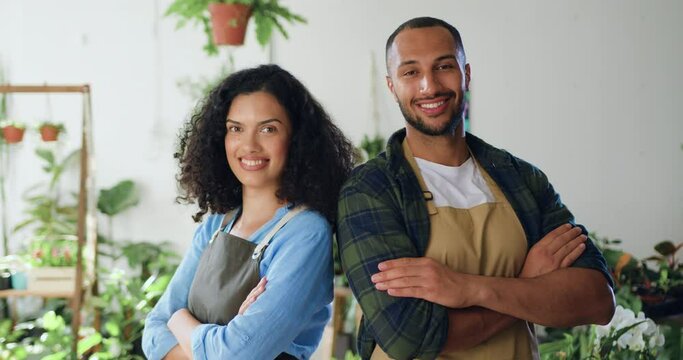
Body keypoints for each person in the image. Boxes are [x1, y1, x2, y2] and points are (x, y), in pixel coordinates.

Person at [337, 17, 615, 360]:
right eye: (411, 72)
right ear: (392, 86)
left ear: (466, 74)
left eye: (444, 66)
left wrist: (467, 288)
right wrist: (526, 283)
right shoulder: (371, 190)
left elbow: (597, 299)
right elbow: (409, 338)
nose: (430, 85)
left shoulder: (520, 178)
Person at [142, 64, 355, 359]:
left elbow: (237, 354)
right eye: (235, 128)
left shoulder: (306, 232)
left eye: (268, 129)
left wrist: (179, 320)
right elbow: (153, 332)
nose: (249, 145)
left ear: (297, 139)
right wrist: (219, 340)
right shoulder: (218, 223)